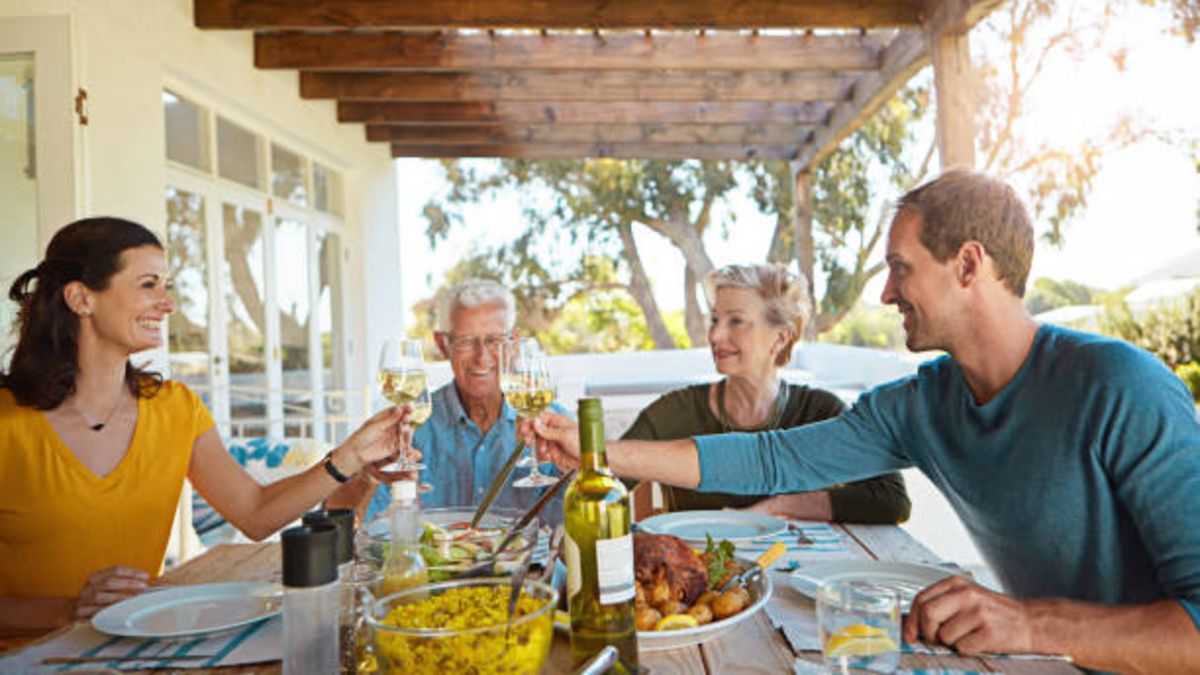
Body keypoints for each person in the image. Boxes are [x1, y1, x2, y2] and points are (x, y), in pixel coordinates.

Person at [526, 170, 1200, 673]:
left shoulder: (1121, 387)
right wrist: (599, 451)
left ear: (969, 264)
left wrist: (1029, 621)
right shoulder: (925, 402)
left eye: (899, 267)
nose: (884, 292)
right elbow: (771, 459)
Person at [0, 218, 409, 639]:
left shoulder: (175, 408)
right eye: (148, 285)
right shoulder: (8, 424)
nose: (167, 303)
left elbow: (255, 514)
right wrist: (68, 610)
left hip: (131, 655)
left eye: (168, 286)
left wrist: (351, 456)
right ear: (81, 298)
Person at [622, 262, 909, 523]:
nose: (715, 335)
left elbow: (891, 500)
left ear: (780, 338)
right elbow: (605, 479)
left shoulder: (821, 411)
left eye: (735, 321)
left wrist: (781, 505)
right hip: (696, 575)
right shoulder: (675, 411)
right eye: (714, 320)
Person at [327, 279, 567, 524]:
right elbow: (334, 517)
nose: (481, 357)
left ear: (514, 343)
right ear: (443, 344)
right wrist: (368, 476)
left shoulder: (555, 429)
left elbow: (596, 522)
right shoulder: (411, 424)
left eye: (494, 340)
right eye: (466, 341)